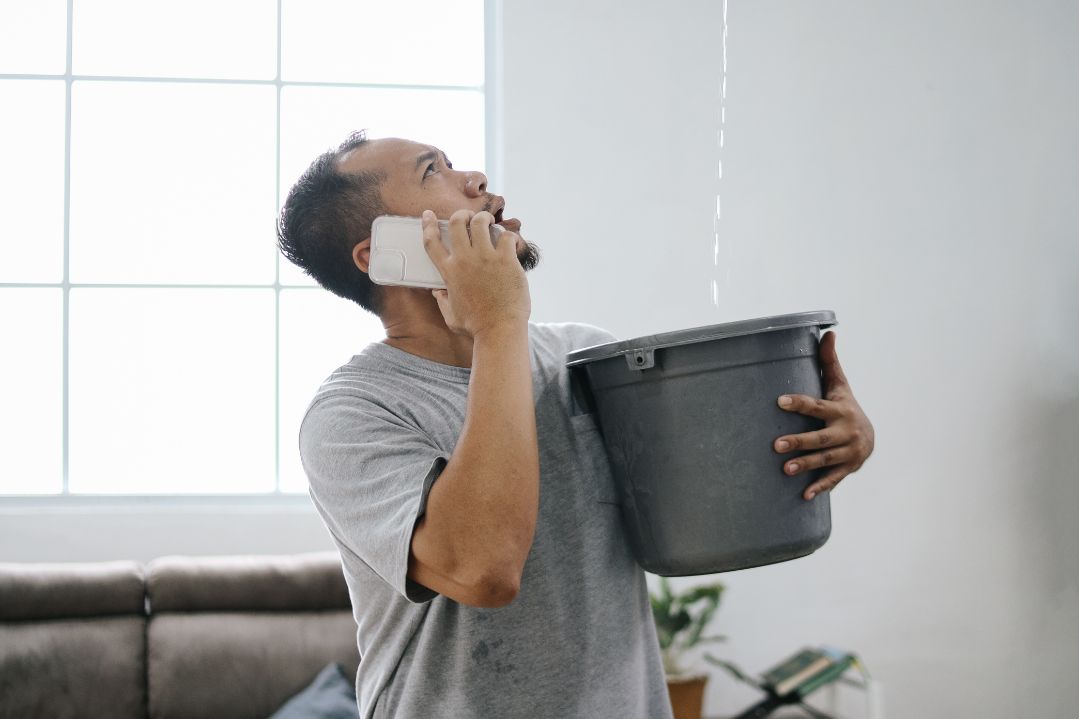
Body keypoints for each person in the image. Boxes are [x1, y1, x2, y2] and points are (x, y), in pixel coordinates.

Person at [276, 131, 875, 719]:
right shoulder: (349, 416)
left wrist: (833, 440)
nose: (476, 179)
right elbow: (483, 571)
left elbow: (705, 504)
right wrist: (498, 325)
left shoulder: (586, 358)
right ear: (381, 254)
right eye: (433, 172)